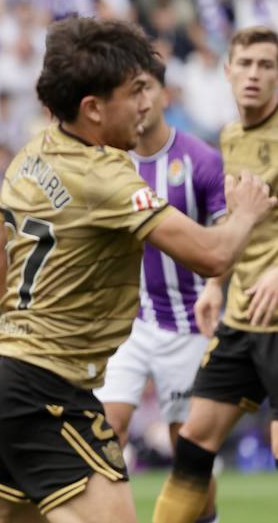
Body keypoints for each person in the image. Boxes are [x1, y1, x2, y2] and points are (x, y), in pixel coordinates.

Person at [0, 17, 273, 523]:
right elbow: (213, 255)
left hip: (0, 376)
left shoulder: (30, 155)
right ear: (93, 108)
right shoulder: (109, 177)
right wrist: (245, 212)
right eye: (134, 92)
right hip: (50, 389)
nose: (146, 105)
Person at [154, 26, 278, 523]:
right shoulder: (228, 136)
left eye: (266, 65)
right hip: (242, 318)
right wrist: (213, 285)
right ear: (227, 72)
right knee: (193, 441)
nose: (253, 74)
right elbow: (232, 223)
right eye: (245, 64)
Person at [97, 60, 224, 523]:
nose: (140, 100)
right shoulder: (109, 163)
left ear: (164, 94)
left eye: (146, 88)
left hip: (188, 324)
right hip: (125, 325)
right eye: (129, 92)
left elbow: (224, 236)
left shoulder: (202, 160)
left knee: (186, 450)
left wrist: (215, 288)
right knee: (106, 431)